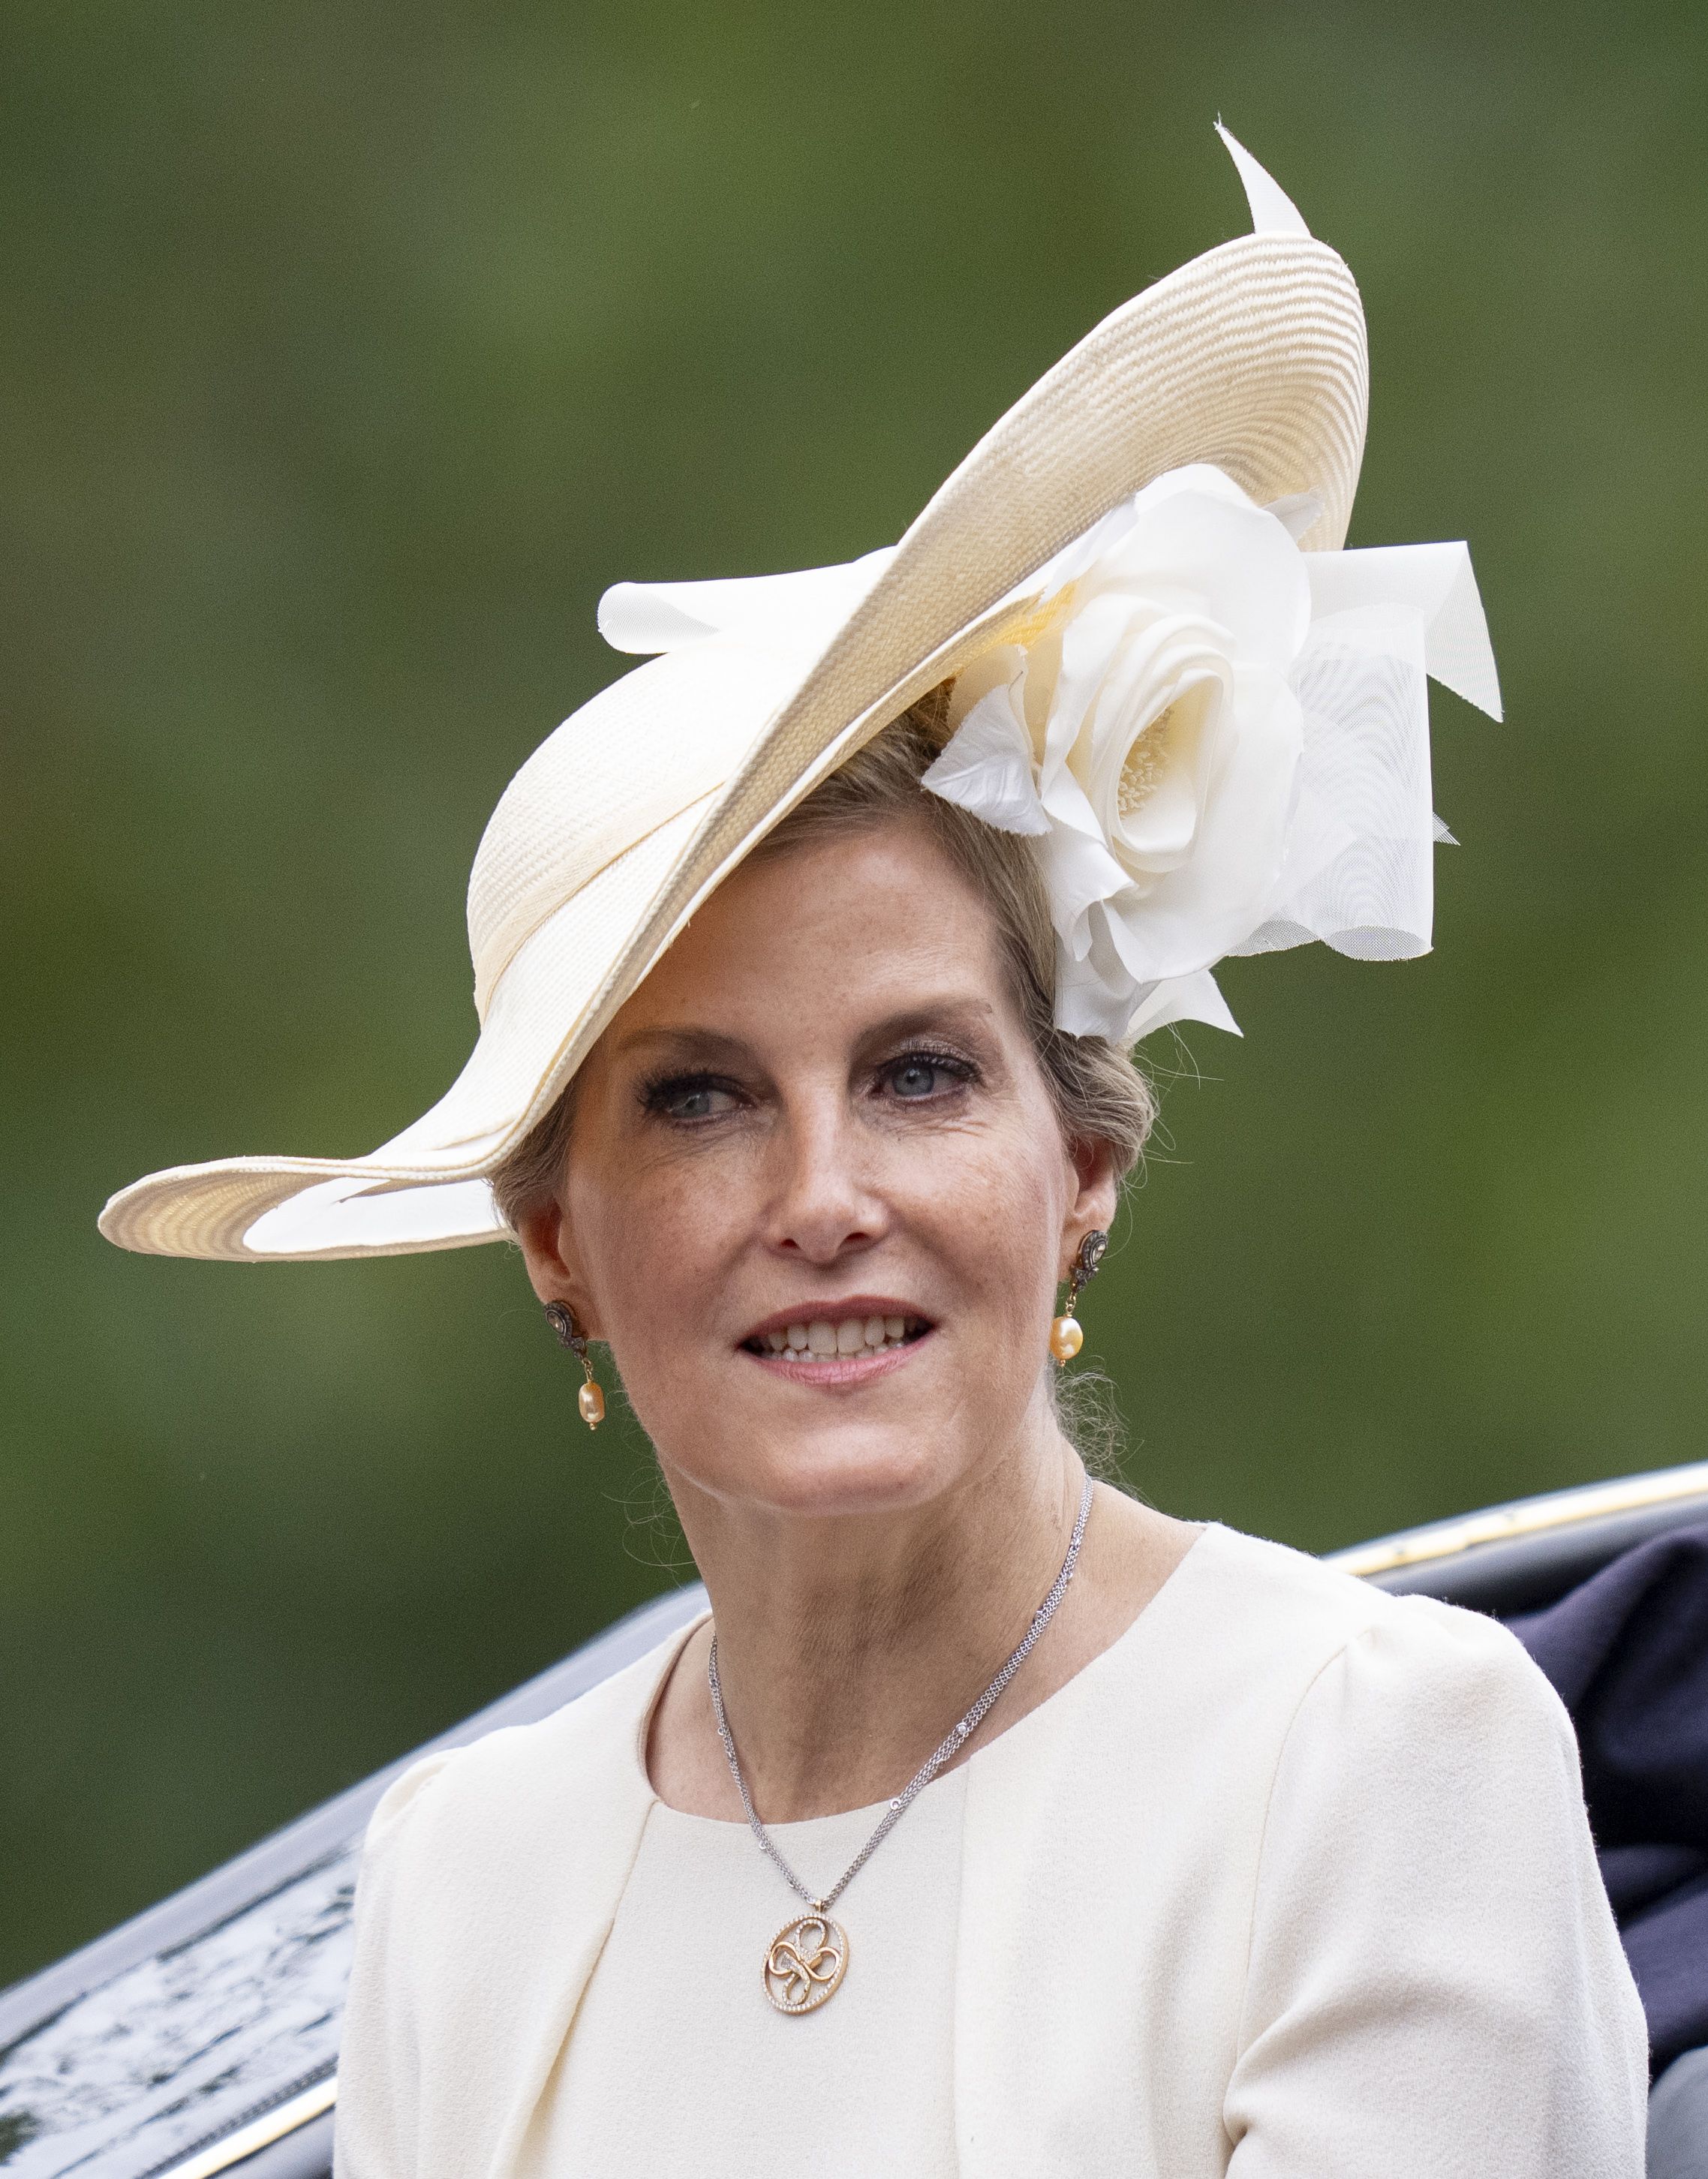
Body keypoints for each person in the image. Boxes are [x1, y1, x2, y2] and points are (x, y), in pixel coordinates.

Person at [101, 129, 1647, 2177]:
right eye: (696, 1097)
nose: (822, 1197)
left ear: (1078, 1165)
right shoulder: (462, 1877)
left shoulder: (1377, 1759)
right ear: (554, 1236)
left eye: (918, 1073)